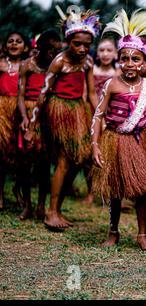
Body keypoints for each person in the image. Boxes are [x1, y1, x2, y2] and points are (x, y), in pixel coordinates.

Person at [91, 9, 146, 251]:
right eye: (124, 58)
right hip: (115, 139)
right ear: (118, 60)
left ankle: (142, 234)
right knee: (116, 188)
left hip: (140, 141)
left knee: (142, 190)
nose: (130, 64)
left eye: (136, 59)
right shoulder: (111, 84)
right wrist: (95, 144)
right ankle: (113, 231)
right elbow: (98, 115)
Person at [28, 6, 100, 229]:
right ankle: (51, 212)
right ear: (69, 40)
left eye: (87, 45)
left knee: (76, 160)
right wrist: (32, 125)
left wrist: (99, 117)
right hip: (58, 113)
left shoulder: (87, 63)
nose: (82, 48)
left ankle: (56, 209)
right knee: (64, 160)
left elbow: (90, 93)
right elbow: (43, 93)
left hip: (78, 112)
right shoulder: (59, 61)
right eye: (77, 44)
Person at [16, 30, 62, 221]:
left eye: (56, 50)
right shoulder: (27, 65)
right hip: (27, 112)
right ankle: (27, 205)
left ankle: (42, 206)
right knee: (25, 164)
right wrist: (25, 117)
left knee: (44, 165)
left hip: (47, 116)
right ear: (39, 48)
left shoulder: (57, 66)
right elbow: (20, 95)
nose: (52, 54)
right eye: (49, 50)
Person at [0, 31, 29, 209]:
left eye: (18, 41)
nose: (14, 44)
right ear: (5, 46)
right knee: (1, 154)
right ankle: (0, 193)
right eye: (10, 41)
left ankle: (18, 189)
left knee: (21, 156)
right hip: (2, 111)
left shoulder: (28, 65)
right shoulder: (1, 64)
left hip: (21, 111)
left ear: (25, 47)